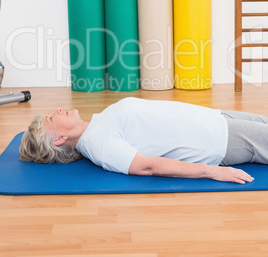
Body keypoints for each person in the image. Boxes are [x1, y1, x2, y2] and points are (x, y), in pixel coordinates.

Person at [20, 96, 268, 184]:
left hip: (216, 118)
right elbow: (146, 166)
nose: (59, 109)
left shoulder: (98, 123)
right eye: (53, 118)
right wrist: (212, 172)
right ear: (60, 139)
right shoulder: (98, 143)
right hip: (220, 140)